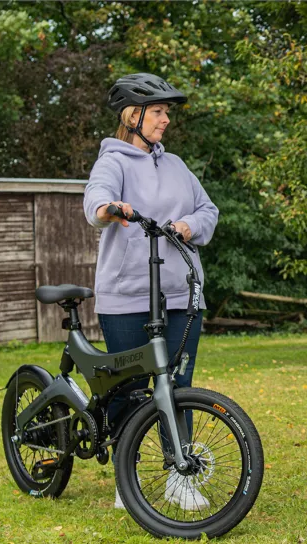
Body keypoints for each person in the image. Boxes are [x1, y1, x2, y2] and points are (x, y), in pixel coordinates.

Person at [82, 73, 219, 510]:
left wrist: (189, 226)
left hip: (182, 294)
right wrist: (110, 209)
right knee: (129, 390)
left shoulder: (176, 165)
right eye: (158, 112)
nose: (165, 120)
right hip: (128, 296)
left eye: (166, 112)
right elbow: (95, 202)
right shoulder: (113, 162)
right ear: (133, 115)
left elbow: (208, 210)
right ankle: (129, 482)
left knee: (179, 386)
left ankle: (179, 475)